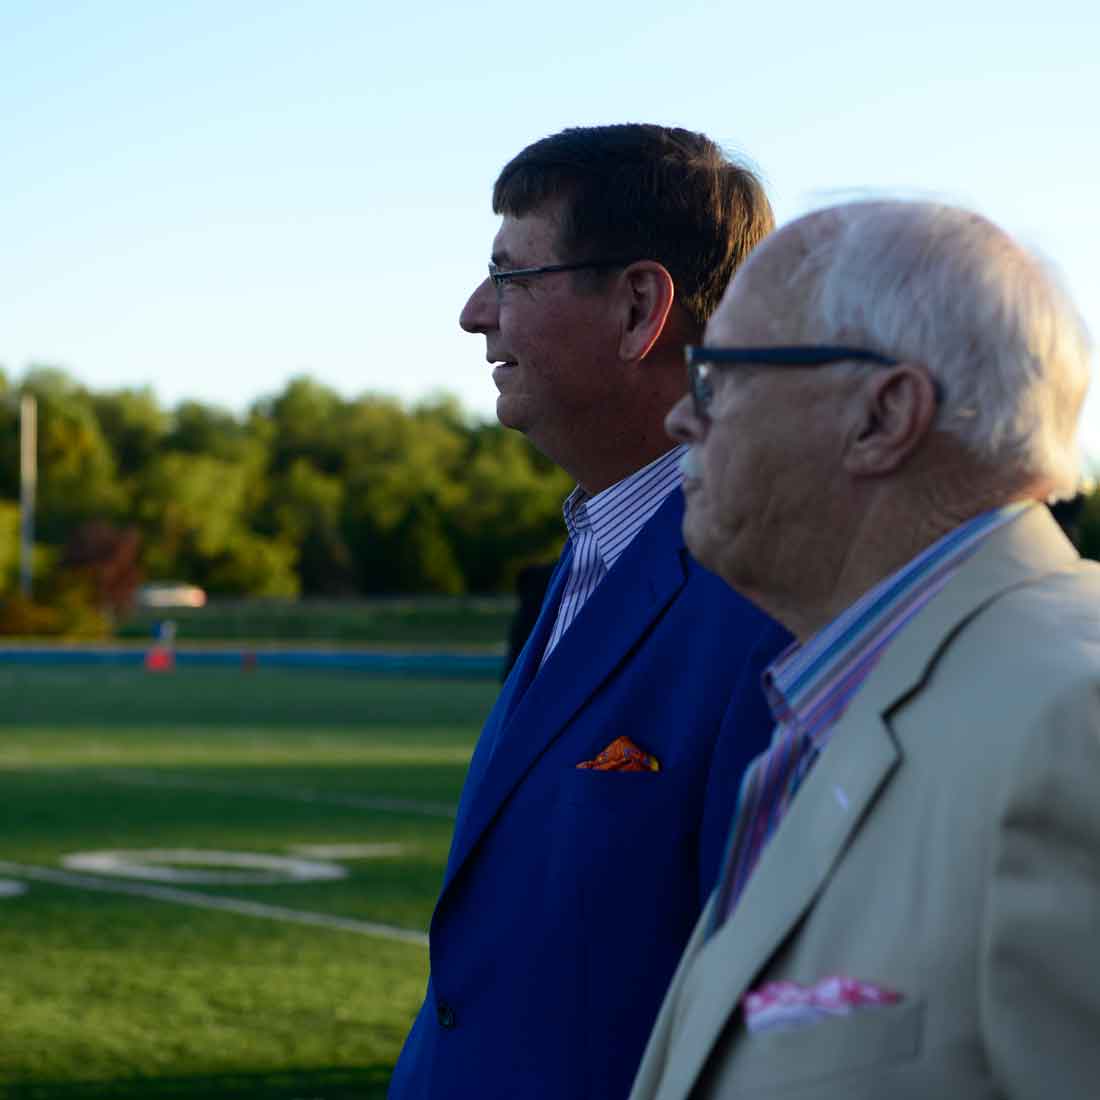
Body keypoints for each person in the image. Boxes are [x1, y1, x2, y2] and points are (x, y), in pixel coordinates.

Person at [629, 199, 1100, 1100]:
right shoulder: (856, 694)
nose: (683, 418)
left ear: (883, 416)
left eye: (719, 377)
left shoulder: (1070, 722)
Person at [389, 124, 791, 1100]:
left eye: (510, 274)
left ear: (639, 307)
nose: (473, 313)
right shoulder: (598, 544)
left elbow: (760, 1015)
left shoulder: (772, 596)